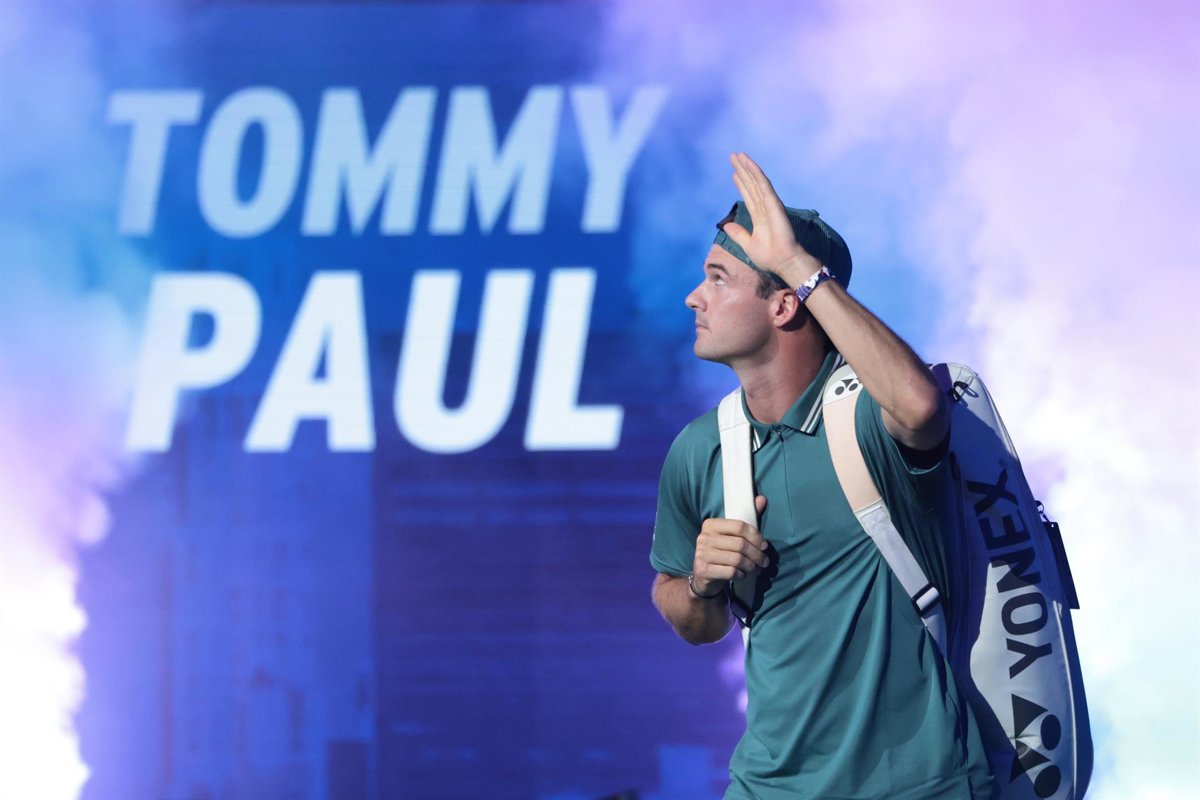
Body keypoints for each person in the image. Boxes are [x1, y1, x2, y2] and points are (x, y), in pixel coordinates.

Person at [649, 153, 994, 799]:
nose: (695, 296)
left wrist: (795, 263)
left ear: (785, 305)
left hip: (921, 788)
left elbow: (921, 407)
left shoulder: (868, 417)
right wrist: (700, 584)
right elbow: (691, 619)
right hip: (766, 788)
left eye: (718, 279)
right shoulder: (701, 449)